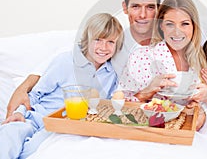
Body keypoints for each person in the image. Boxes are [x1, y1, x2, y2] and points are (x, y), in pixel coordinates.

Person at [6, 0, 161, 118]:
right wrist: (23, 88)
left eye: (150, 7)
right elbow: (55, 63)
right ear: (125, 8)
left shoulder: (169, 43)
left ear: (158, 9)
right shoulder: (113, 38)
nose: (142, 15)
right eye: (135, 6)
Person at [0, 13, 124, 159]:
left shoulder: (111, 75)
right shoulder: (65, 61)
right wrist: (19, 112)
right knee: (10, 133)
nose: (104, 47)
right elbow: (36, 94)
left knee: (34, 151)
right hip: (36, 117)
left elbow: (106, 105)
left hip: (60, 127)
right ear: (87, 39)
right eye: (98, 40)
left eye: (111, 42)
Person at [118, 0, 207, 130]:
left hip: (190, 133)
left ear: (193, 26)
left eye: (184, 24)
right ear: (161, 25)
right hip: (152, 131)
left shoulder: (202, 61)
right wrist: (147, 92)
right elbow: (118, 107)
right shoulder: (141, 57)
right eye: (170, 24)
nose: (177, 32)